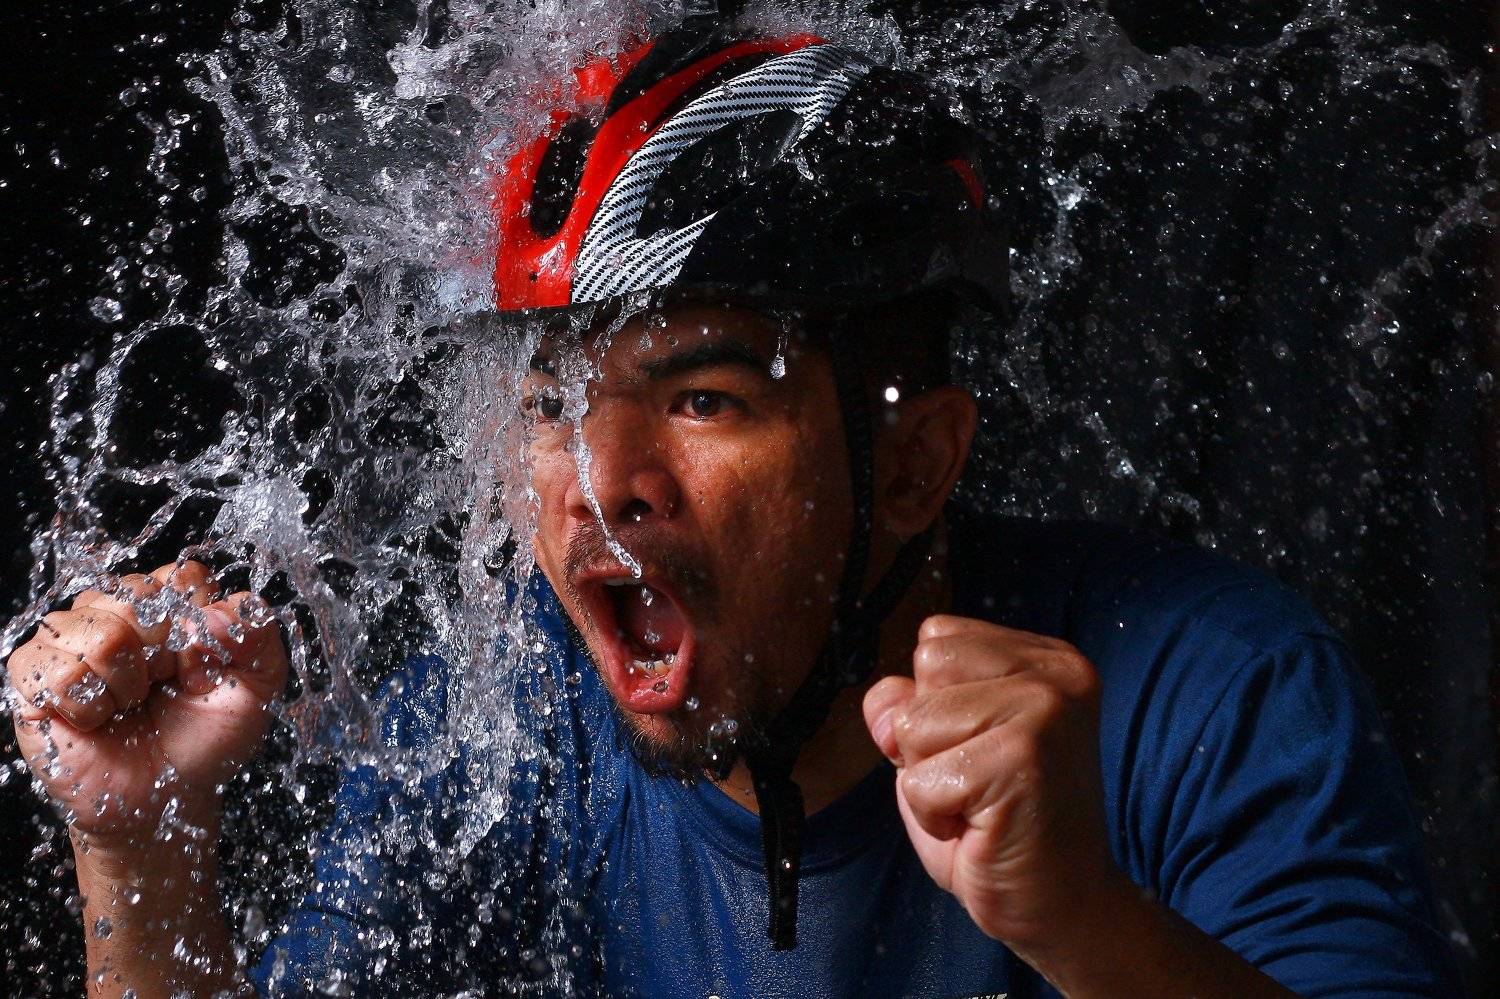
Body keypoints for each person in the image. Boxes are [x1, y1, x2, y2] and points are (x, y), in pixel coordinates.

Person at [5, 19, 1461, 999]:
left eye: (701, 398)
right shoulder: (507, 727)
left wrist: (1081, 920)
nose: (599, 480)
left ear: (915, 464)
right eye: (552, 403)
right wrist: (140, 852)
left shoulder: (1216, 690)